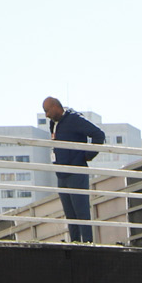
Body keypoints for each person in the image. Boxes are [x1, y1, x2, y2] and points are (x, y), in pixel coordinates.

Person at [41, 97, 105, 243]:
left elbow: (98, 135)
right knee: (70, 214)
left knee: (81, 211)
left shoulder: (74, 119)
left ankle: (87, 243)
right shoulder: (54, 124)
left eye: (47, 111)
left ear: (56, 107)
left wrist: (87, 156)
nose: (46, 115)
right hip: (62, 174)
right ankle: (75, 242)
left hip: (76, 172)